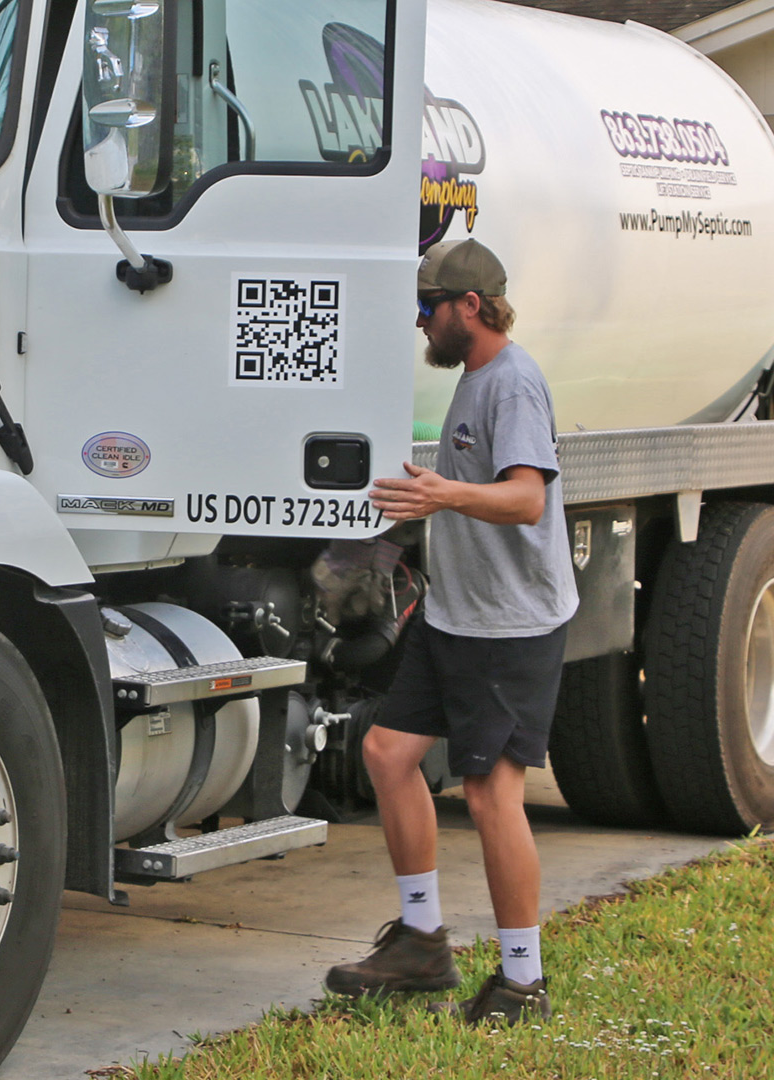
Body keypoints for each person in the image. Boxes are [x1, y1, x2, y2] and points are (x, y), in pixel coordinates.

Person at [325, 238, 578, 1025]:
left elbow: (528, 499)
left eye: (428, 308)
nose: (420, 323)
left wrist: (442, 496)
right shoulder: (474, 377)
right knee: (387, 753)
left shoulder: (512, 383)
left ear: (471, 306)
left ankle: (523, 983)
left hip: (510, 624)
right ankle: (422, 944)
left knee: (492, 792)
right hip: (454, 615)